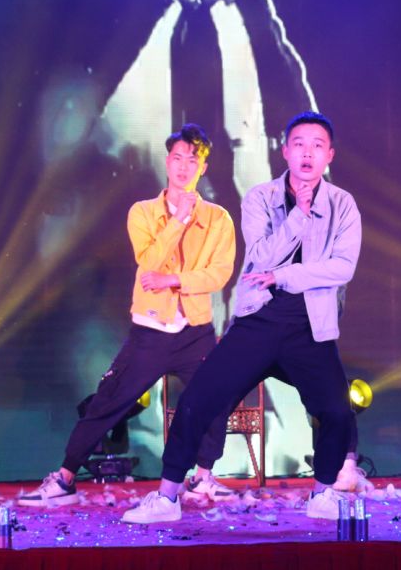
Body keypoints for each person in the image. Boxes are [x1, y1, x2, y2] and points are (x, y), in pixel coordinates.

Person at [121, 111, 362, 523]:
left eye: (317, 146)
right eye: (299, 144)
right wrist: (299, 217)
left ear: (330, 155)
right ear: (285, 151)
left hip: (310, 325)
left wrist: (284, 276)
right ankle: (167, 497)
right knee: (197, 401)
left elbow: (342, 268)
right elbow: (262, 255)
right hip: (258, 321)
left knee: (337, 411)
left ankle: (323, 493)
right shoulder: (260, 198)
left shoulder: (342, 204)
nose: (307, 153)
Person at [17, 124, 237, 507]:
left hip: (195, 331)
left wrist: (172, 279)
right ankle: (65, 479)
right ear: (167, 162)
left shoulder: (218, 219)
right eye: (177, 158)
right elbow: (148, 261)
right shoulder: (143, 212)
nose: (183, 167)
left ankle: (203, 477)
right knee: (108, 402)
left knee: (216, 396)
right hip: (150, 331)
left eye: (193, 160)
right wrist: (178, 221)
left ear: (203, 167)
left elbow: (219, 274)